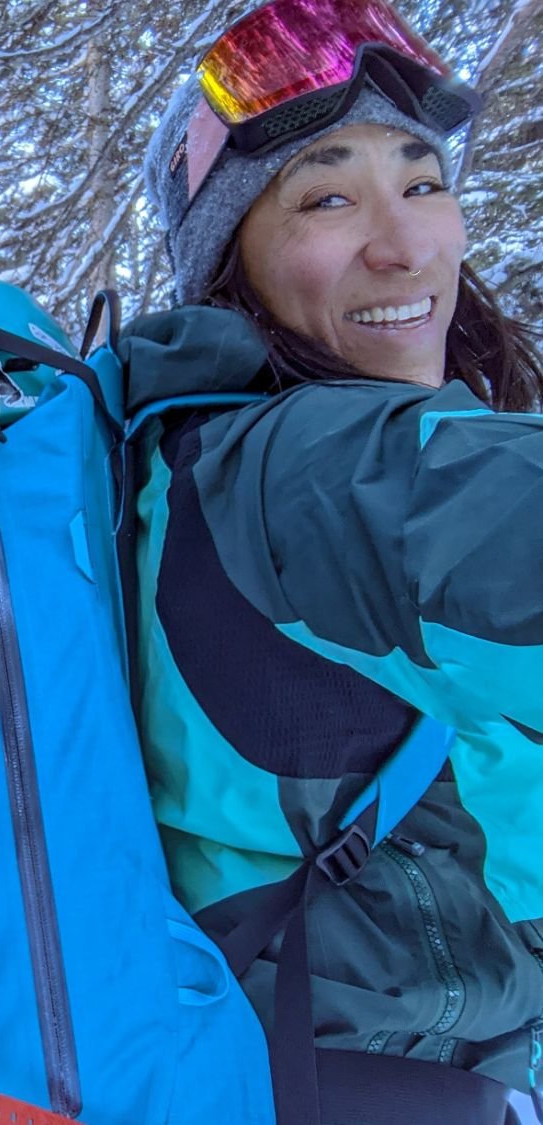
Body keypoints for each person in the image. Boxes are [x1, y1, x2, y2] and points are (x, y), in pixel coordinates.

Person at [131, 0, 543, 1121]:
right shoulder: (301, 469)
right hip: (354, 1085)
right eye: (325, 196)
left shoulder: (198, 463)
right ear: (230, 263)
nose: (407, 243)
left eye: (422, 183)